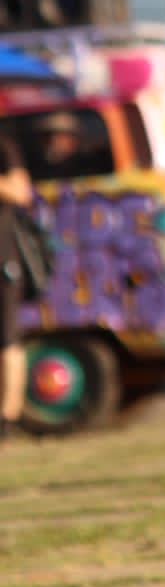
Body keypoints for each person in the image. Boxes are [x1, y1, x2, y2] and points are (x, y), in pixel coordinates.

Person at [0, 135, 33, 438]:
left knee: (8, 340)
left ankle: (7, 419)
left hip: (3, 261)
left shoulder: (4, 146)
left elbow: (21, 192)